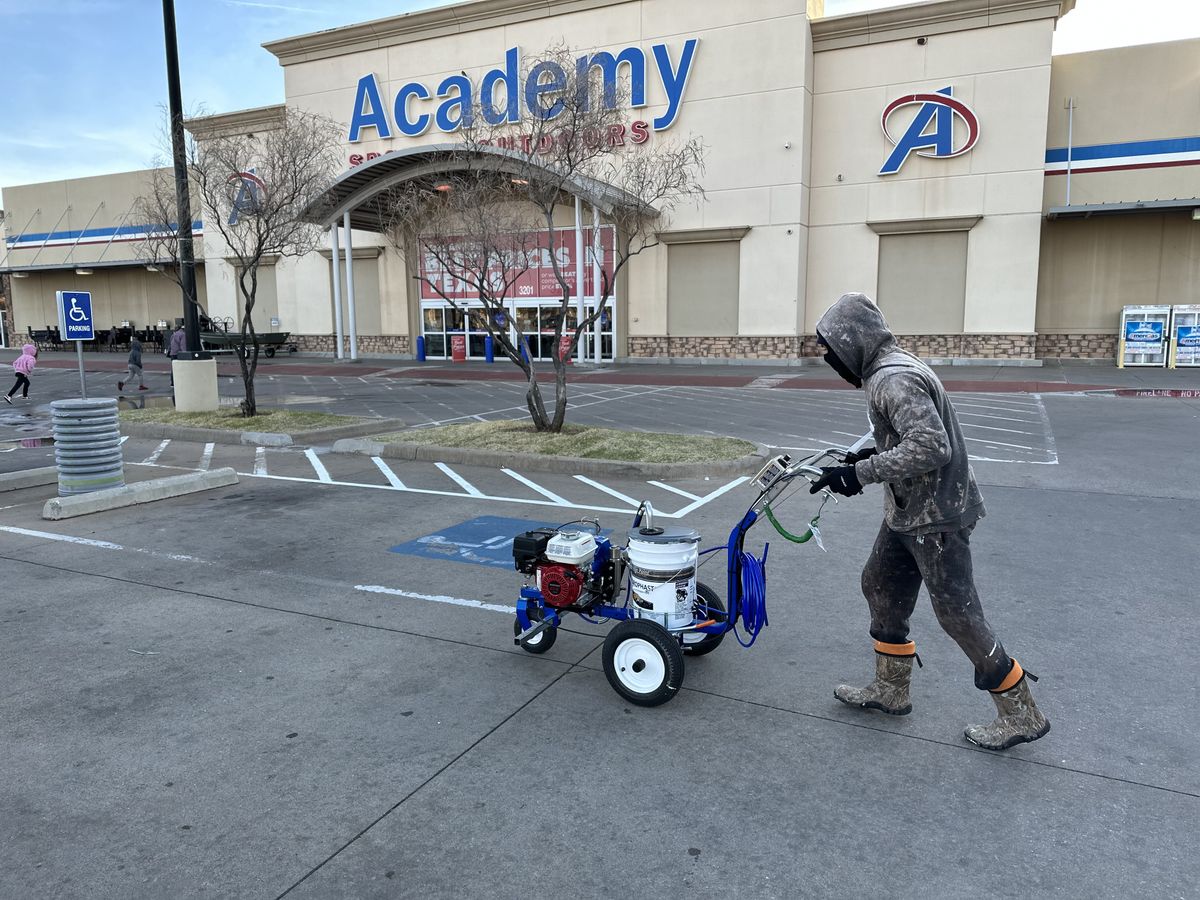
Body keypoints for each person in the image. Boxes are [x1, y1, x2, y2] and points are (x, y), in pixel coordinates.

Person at [809, 292, 1049, 751]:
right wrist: (869, 456)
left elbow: (930, 447)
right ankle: (891, 689)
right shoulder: (889, 368)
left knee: (958, 614)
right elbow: (911, 438)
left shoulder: (892, 379)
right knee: (879, 585)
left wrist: (858, 473)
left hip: (937, 515)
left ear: (854, 341)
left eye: (831, 348)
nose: (828, 358)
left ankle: (1022, 712)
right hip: (909, 509)